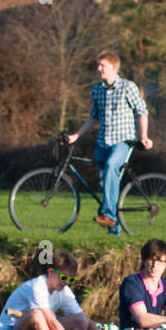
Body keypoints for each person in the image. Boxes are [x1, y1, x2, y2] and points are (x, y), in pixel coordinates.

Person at [66, 51, 151, 235]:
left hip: (123, 141)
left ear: (113, 67)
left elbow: (142, 112)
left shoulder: (128, 87)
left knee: (112, 167)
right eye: (98, 65)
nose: (98, 69)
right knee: (106, 182)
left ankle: (109, 215)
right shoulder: (97, 90)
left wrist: (143, 136)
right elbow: (92, 117)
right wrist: (76, 135)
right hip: (103, 142)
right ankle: (114, 230)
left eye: (102, 65)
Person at [0, 251, 108, 330]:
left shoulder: (65, 292)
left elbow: (87, 322)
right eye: (64, 277)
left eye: (71, 279)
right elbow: (51, 322)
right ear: (50, 272)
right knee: (37, 315)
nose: (67, 282)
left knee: (82, 320)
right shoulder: (37, 286)